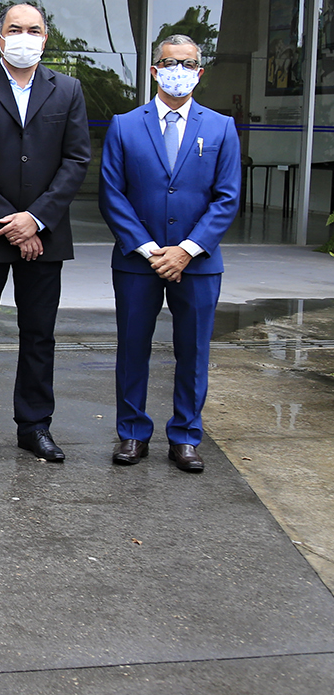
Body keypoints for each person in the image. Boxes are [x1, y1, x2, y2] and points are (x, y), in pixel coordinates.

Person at [0, 3, 90, 462]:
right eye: (15, 29)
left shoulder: (67, 90)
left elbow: (76, 161)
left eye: (34, 29)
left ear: (45, 38)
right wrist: (11, 223)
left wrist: (37, 219)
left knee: (39, 333)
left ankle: (34, 426)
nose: (24, 36)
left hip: (45, 237)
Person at [99, 35, 240, 473]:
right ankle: (132, 434)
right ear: (155, 69)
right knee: (132, 348)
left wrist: (186, 250)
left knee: (193, 351)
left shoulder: (221, 127)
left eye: (188, 62)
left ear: (200, 71)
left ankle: (185, 436)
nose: (178, 68)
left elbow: (227, 197)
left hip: (197, 264)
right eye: (169, 61)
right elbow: (112, 194)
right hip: (137, 262)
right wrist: (148, 249)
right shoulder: (124, 125)